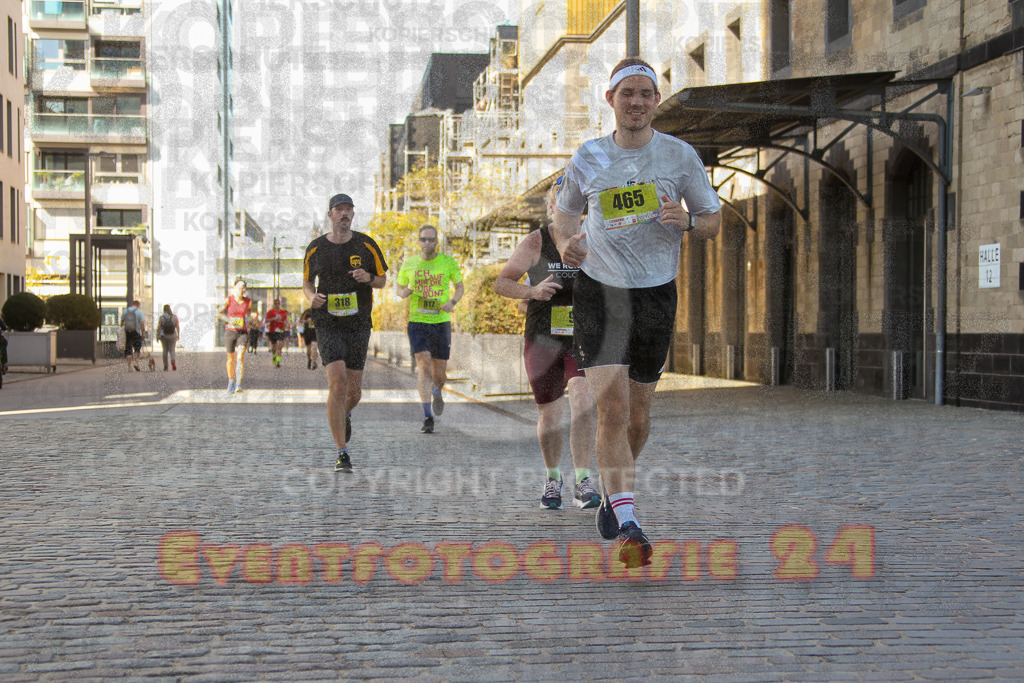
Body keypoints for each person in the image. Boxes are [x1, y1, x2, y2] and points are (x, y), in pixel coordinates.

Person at [553, 58, 722, 567]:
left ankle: (612, 490)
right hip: (601, 293)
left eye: (646, 93)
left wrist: (689, 221)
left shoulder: (680, 156)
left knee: (640, 417)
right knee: (614, 411)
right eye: (627, 92)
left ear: (655, 100)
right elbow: (562, 218)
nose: (637, 102)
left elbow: (714, 221)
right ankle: (628, 520)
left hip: (656, 294)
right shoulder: (588, 158)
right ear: (611, 99)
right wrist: (567, 245)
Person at [495, 179, 600, 511]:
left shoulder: (595, 239)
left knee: (583, 402)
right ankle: (553, 479)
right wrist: (532, 291)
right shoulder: (535, 242)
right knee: (550, 416)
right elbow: (502, 282)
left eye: (573, 202)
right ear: (552, 207)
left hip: (582, 336)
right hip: (542, 337)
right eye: (561, 202)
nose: (567, 208)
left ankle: (583, 481)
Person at [303, 193, 388, 472]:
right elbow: (306, 283)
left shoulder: (366, 245)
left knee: (354, 391)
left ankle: (345, 413)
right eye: (339, 210)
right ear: (330, 214)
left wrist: (369, 278)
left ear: (353, 214)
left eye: (348, 210)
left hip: (358, 323)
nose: (344, 214)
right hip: (327, 322)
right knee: (337, 383)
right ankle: (342, 452)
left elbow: (382, 280)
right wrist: (310, 297)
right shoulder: (316, 248)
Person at [395, 225, 464, 434]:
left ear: (436, 241)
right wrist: (405, 292)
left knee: (439, 374)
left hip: (441, 322)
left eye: (430, 239)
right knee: (423, 365)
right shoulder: (409, 264)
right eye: (423, 239)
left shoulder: (448, 262)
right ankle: (427, 417)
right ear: (418, 241)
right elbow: (398, 289)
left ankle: (437, 390)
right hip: (418, 322)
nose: (426, 243)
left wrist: (452, 302)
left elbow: (460, 287)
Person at [219, 279, 251, 393]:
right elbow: (217, 312)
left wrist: (250, 321)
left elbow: (249, 313)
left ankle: (238, 384)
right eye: (239, 287)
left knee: (240, 357)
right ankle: (231, 381)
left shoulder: (248, 301)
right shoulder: (229, 300)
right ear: (234, 288)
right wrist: (228, 319)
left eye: (243, 287)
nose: (241, 289)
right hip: (230, 331)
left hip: (242, 332)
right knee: (230, 359)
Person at [121, 299, 145, 372]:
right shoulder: (139, 312)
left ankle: (129, 367)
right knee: (137, 348)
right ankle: (137, 364)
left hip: (127, 331)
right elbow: (142, 324)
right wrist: (143, 333)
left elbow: (122, 322)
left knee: (128, 348)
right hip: (136, 332)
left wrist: (122, 331)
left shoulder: (125, 310)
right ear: (138, 305)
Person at [264, 298, 289, 367]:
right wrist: (274, 319)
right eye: (276, 304)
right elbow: (266, 320)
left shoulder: (283, 312)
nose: (277, 305)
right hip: (273, 330)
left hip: (281, 330)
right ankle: (274, 356)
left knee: (280, 346)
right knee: (274, 347)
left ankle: (278, 361)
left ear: (280, 304)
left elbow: (286, 320)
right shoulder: (271, 312)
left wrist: (287, 324)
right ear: (274, 304)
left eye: (278, 303)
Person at [157, 304, 180, 371]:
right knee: (172, 350)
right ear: (170, 309)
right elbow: (177, 326)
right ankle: (173, 360)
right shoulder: (174, 317)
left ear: (164, 309)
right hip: (172, 335)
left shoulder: (161, 317)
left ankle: (166, 366)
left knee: (165, 350)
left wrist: (158, 336)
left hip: (163, 335)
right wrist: (178, 335)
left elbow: (159, 327)